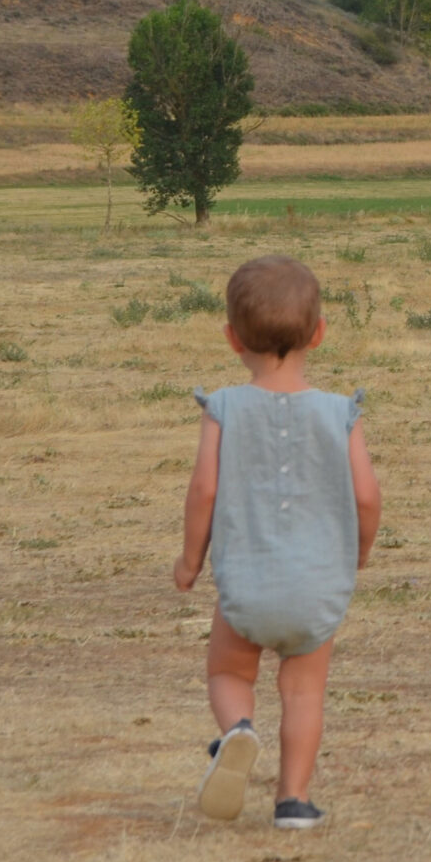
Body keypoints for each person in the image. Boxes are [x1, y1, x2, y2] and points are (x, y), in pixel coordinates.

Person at [173, 255, 382, 829]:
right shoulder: (341, 413)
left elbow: (204, 490)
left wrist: (191, 559)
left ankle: (238, 731)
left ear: (231, 338)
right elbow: (366, 495)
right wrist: (358, 551)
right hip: (317, 586)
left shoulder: (224, 409)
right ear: (319, 333)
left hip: (246, 583)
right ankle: (292, 800)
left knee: (229, 674)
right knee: (304, 692)